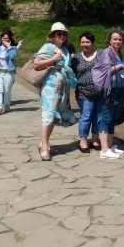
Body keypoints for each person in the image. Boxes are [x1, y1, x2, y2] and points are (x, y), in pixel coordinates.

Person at [33, 22, 77, 161]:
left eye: (64, 34)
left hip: (62, 87)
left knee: (53, 116)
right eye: (59, 34)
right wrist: (54, 59)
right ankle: (45, 147)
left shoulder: (64, 50)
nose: (62, 36)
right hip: (50, 86)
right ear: (53, 36)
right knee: (48, 114)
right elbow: (36, 64)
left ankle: (44, 141)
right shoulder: (48, 47)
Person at [92, 28, 124, 160]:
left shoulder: (119, 53)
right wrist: (119, 67)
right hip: (110, 91)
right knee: (106, 118)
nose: (117, 41)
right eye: (115, 39)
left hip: (119, 91)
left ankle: (110, 145)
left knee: (112, 119)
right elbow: (102, 71)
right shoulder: (106, 53)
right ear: (109, 40)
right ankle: (104, 149)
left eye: (120, 39)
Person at [71, 32, 101, 153]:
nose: (85, 44)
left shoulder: (101, 54)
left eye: (88, 42)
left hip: (100, 92)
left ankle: (95, 139)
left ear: (92, 43)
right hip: (83, 92)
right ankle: (83, 140)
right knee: (86, 116)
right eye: (83, 42)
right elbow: (70, 73)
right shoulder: (76, 58)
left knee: (98, 117)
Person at [0, 29, 23, 115]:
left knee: (7, 90)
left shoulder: (12, 48)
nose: (5, 40)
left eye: (7, 38)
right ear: (1, 39)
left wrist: (8, 46)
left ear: (10, 39)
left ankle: (6, 104)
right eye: (4, 38)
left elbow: (12, 56)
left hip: (8, 73)